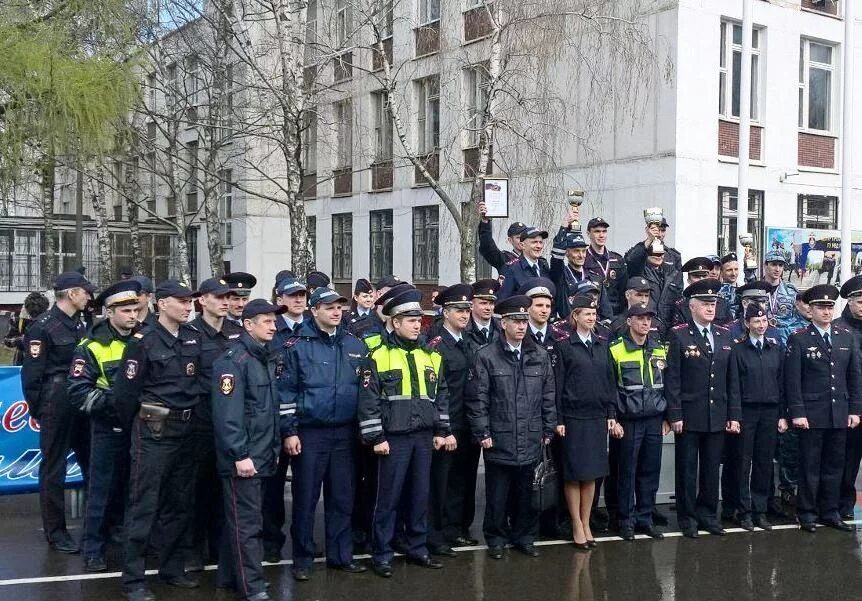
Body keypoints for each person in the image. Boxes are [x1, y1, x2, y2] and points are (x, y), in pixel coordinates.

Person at [113, 280, 203, 600]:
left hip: (187, 431)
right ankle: (134, 579)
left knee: (180, 505)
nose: (188, 305)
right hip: (153, 432)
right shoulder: (144, 340)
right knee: (143, 506)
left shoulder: (194, 337)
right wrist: (135, 428)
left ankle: (172, 567)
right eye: (180, 301)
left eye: (190, 300)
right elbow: (125, 393)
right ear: (162, 304)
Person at [358, 287, 455, 578]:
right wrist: (376, 437)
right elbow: (369, 400)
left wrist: (443, 430)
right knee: (387, 499)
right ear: (395, 322)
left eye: (419, 320)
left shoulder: (432, 356)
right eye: (410, 320)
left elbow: (441, 396)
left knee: (419, 495)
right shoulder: (377, 356)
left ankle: (417, 547)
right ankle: (382, 554)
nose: (416, 325)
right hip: (394, 438)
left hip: (423, 437)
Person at [281, 287, 367, 580]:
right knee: (305, 499)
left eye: (339, 307)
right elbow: (287, 392)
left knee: (342, 497)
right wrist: (290, 431)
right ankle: (303, 559)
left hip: (344, 433)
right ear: (314, 310)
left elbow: (364, 391)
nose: (336, 311)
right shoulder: (297, 345)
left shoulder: (355, 345)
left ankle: (340, 555)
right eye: (329, 306)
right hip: (310, 432)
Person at [468, 295, 556, 560]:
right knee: (497, 494)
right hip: (500, 436)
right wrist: (482, 432)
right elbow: (478, 398)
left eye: (524, 322)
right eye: (516, 321)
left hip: (530, 435)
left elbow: (548, 394)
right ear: (503, 323)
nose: (521, 327)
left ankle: (524, 536)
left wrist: (548, 427)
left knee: (526, 494)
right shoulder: (486, 356)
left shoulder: (538, 355)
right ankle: (495, 538)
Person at [212, 299, 283, 601]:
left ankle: (229, 577)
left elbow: (267, 411)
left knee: (242, 521)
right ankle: (252, 586)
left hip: (262, 454)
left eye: (273, 321)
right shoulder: (234, 361)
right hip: (244, 458)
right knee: (248, 526)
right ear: (248, 324)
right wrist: (240, 455)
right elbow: (228, 416)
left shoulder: (263, 357)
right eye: (266, 321)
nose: (273, 326)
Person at [68, 280, 141, 571]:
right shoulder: (91, 346)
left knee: (130, 489)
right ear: (109, 312)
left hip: (139, 428)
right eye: (125, 310)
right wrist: (116, 405)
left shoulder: (143, 340)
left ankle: (121, 537)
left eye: (135, 309)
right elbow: (78, 392)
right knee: (100, 490)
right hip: (107, 428)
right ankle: (93, 548)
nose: (132, 315)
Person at [22, 271, 95, 553]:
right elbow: (32, 376)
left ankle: (94, 526)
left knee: (92, 463)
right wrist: (41, 410)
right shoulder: (43, 327)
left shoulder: (80, 324)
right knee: (54, 469)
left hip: (81, 398)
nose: (89, 296)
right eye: (85, 292)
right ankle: (56, 532)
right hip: (57, 400)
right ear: (72, 293)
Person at [665, 278, 740, 538]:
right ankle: (687, 518)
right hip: (689, 414)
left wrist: (733, 415)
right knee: (687, 469)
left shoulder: (724, 334)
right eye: (705, 304)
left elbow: (732, 380)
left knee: (710, 468)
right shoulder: (679, 334)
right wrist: (674, 413)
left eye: (714, 303)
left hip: (717, 414)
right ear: (692, 306)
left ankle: (708, 514)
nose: (711, 308)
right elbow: (672, 378)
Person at [786, 284, 862, 533]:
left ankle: (830, 512)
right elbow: (793, 381)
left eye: (830, 307)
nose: (826, 312)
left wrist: (854, 410)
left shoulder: (845, 337)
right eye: (821, 307)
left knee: (834, 466)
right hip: (811, 414)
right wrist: (797, 412)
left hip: (839, 413)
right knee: (809, 466)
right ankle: (807, 512)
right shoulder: (799, 338)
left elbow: (854, 378)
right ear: (811, 310)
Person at [186, 278, 243, 571]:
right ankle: (194, 551)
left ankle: (221, 551)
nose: (225, 302)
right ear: (202, 300)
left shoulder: (236, 333)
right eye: (218, 297)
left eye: (228, 297)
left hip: (230, 424)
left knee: (226, 492)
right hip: (201, 423)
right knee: (197, 490)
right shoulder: (190, 333)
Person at [556, 296, 617, 548]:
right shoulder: (565, 346)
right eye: (586, 314)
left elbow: (609, 382)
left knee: (591, 474)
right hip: (573, 418)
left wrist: (611, 413)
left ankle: (586, 520)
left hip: (596, 417)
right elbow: (558, 385)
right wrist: (558, 419)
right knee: (574, 474)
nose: (592, 318)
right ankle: (576, 524)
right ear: (575, 317)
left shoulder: (602, 345)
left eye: (594, 314)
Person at [426, 284, 482, 554]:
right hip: (448, 425)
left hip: (468, 424)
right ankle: (438, 534)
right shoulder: (436, 344)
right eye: (459, 310)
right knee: (442, 482)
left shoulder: (469, 341)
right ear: (445, 312)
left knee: (465, 479)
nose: (465, 314)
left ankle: (460, 528)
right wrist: (442, 426)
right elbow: (436, 390)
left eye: (467, 309)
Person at [608, 302, 669, 540]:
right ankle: (626, 520)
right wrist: (614, 418)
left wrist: (667, 416)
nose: (646, 323)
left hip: (654, 419)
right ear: (629, 321)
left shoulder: (659, 348)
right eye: (640, 318)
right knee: (627, 473)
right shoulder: (615, 349)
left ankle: (645, 518)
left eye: (649, 319)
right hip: (628, 420)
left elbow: (666, 385)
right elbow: (610, 387)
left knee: (649, 471)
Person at [725, 304, 784, 531]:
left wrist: (781, 415)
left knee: (764, 462)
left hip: (769, 412)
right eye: (757, 322)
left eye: (764, 321)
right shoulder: (738, 349)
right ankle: (743, 511)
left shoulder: (775, 348)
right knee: (742, 463)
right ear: (747, 323)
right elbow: (734, 386)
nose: (761, 325)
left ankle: (760, 511)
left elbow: (781, 382)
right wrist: (735, 416)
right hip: (746, 413)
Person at [262, 276, 307, 562]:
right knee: (273, 487)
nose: (298, 300)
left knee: (306, 486)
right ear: (280, 299)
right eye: (292, 296)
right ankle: (271, 541)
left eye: (302, 295)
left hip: (307, 420)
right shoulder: (271, 332)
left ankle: (304, 542)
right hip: (276, 420)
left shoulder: (313, 329)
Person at [838, 275, 862, 519]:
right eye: (860, 301)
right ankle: (843, 505)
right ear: (850, 302)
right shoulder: (838, 329)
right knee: (846, 461)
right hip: (849, 407)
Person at [549, 225, 611, 320]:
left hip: (591, 327)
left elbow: (606, 312)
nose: (581, 255)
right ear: (567, 253)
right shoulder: (560, 276)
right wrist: (564, 228)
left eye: (583, 251)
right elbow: (556, 257)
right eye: (576, 251)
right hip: (568, 328)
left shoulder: (596, 278)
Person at [584, 217, 628, 316]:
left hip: (616, 314)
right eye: (597, 231)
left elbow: (624, 291)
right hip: (593, 313)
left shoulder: (617, 259)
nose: (601, 235)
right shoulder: (583, 258)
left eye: (604, 231)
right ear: (588, 234)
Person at [673, 257, 733, 327]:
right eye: (697, 276)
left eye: (704, 276)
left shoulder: (723, 303)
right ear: (688, 280)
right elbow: (679, 334)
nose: (701, 279)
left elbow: (730, 332)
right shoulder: (681, 306)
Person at [498, 227, 550, 301]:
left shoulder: (544, 267)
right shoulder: (511, 269)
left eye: (541, 242)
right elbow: (502, 301)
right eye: (534, 242)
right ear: (522, 245)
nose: (539, 246)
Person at [477, 201, 527, 273]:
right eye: (518, 237)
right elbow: (487, 246)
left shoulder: (537, 260)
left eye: (525, 237)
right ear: (510, 240)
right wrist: (485, 221)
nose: (522, 240)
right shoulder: (504, 259)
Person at [762, 250, 799, 343]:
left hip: (785, 340)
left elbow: (797, 318)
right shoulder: (755, 290)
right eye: (774, 264)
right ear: (765, 266)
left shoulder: (791, 291)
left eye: (780, 265)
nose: (777, 269)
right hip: (762, 340)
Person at [4, 291, 50, 364]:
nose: (35, 318)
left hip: (45, 362)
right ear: (26, 309)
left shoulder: (51, 319)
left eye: (39, 315)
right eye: (32, 315)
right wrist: (24, 339)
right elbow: (7, 340)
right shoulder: (18, 318)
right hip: (22, 361)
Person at [465, 279, 501, 346]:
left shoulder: (503, 329)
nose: (488, 308)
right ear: (471, 305)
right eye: (483, 303)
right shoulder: (462, 329)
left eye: (491, 303)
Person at [718, 253, 740, 319]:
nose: (733, 273)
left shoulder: (742, 290)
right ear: (721, 272)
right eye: (729, 270)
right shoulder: (717, 292)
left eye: (736, 269)